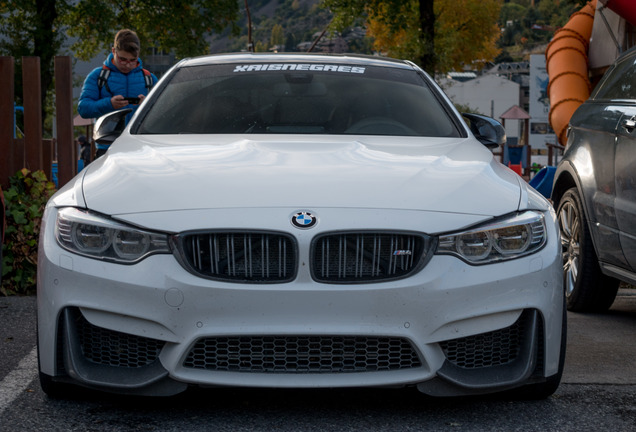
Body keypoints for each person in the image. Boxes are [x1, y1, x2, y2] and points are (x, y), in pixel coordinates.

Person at [78, 29, 157, 158]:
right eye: (123, 59)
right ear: (113, 51)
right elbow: (83, 109)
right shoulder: (98, 76)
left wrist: (148, 105)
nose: (128, 65)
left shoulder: (149, 78)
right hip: (108, 148)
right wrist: (109, 104)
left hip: (142, 148)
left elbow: (166, 112)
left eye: (133, 60)